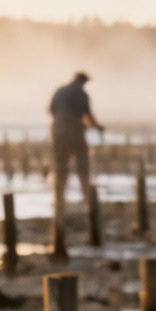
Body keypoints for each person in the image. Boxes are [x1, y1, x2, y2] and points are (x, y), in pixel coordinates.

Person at [48, 71, 103, 208]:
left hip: (57, 130)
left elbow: (51, 110)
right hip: (74, 131)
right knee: (82, 163)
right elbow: (87, 115)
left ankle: (58, 199)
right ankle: (86, 197)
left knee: (60, 165)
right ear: (83, 82)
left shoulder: (60, 91)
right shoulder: (82, 94)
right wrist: (97, 127)